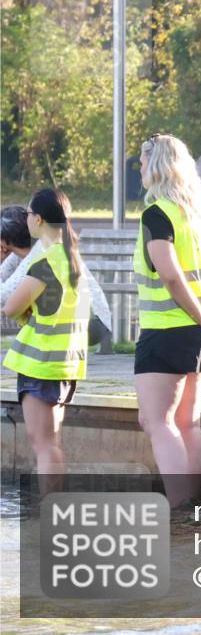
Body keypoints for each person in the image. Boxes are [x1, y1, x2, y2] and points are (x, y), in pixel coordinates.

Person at [134, 133, 201, 508]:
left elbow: (170, 275)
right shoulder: (198, 214)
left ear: (155, 166)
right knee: (189, 422)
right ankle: (193, 505)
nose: (139, 170)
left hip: (167, 331)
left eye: (141, 163)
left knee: (157, 422)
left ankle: (178, 508)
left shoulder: (156, 214)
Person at [3, 190, 91, 496]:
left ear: (38, 219)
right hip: (64, 361)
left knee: (44, 445)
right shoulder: (71, 256)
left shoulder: (46, 259)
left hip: (42, 363)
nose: (26, 219)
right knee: (49, 442)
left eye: (28, 214)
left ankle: (50, 513)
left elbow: (11, 307)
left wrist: (26, 316)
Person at [3, 205, 112, 346]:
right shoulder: (30, 250)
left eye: (30, 214)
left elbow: (5, 299)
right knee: (27, 300)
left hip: (93, 323)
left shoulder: (40, 250)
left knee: (24, 303)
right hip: (83, 318)